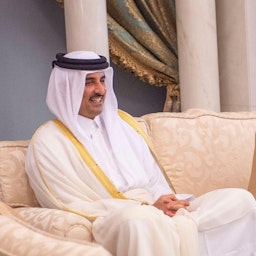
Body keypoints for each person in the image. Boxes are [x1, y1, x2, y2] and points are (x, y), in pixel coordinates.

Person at [25, 51, 256, 256]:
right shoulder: (48, 141)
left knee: (240, 201)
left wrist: (169, 202)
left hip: (154, 206)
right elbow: (65, 201)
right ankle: (174, 231)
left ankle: (179, 230)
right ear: (67, 87)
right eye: (90, 82)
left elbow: (153, 178)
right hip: (115, 218)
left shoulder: (124, 125)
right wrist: (146, 209)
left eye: (103, 80)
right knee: (141, 221)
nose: (101, 90)